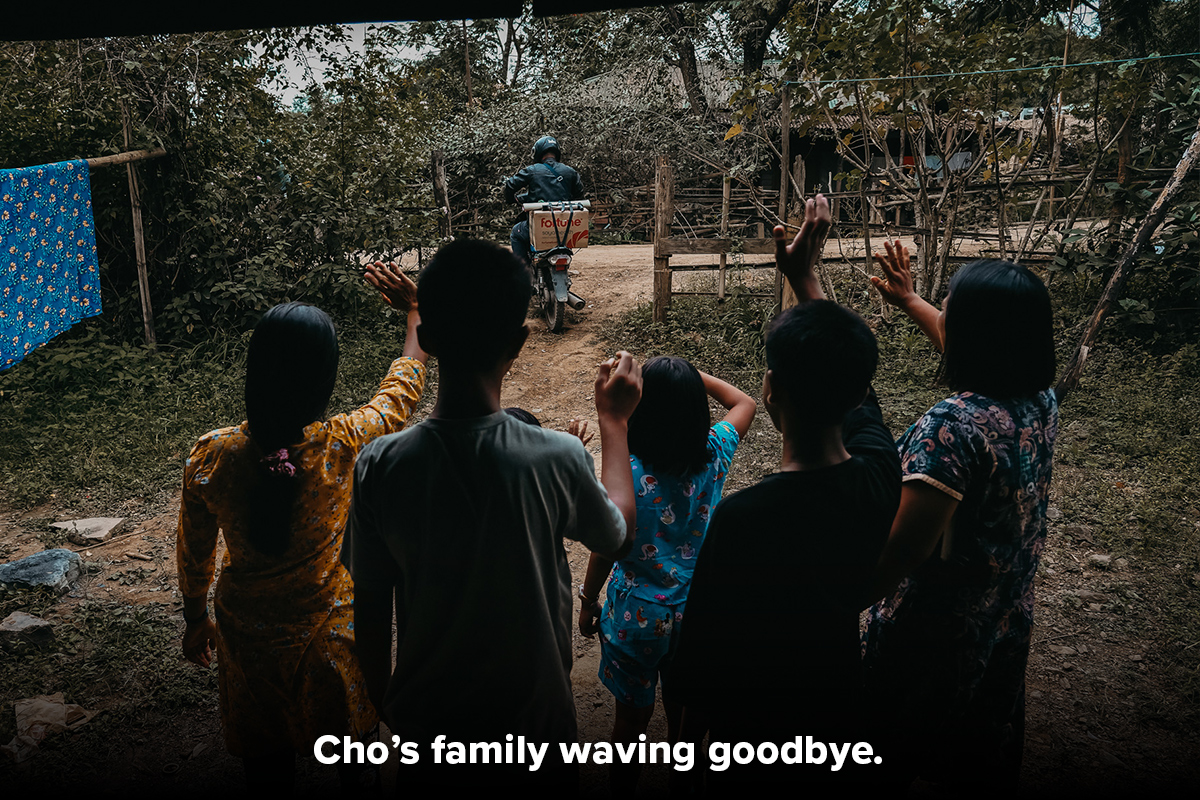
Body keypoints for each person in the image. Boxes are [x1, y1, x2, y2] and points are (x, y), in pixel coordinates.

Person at [342, 239, 641, 791]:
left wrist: (388, 703)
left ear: (427, 341)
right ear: (520, 343)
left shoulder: (380, 464)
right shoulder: (555, 455)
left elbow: (371, 601)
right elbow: (618, 535)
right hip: (536, 730)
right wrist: (615, 423)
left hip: (430, 730)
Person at [671, 196, 901, 788]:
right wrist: (804, 277)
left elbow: (699, 664)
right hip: (836, 712)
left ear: (769, 391)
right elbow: (857, 390)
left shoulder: (743, 518)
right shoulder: (879, 474)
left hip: (753, 734)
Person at [177, 261, 428, 791]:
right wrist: (416, 313)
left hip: (245, 639)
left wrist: (196, 617)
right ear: (323, 381)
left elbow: (194, 550)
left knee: (264, 768)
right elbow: (400, 390)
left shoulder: (211, 456)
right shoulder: (342, 445)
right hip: (327, 639)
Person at [861, 241, 1058, 792]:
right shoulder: (1039, 400)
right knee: (978, 753)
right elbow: (970, 345)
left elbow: (903, 551)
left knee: (897, 754)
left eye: (950, 307)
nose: (941, 314)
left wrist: (835, 604)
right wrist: (910, 300)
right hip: (1003, 618)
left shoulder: (953, 429)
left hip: (932, 637)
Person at [577, 355, 757, 794]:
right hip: (697, 610)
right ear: (698, 410)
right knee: (686, 706)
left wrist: (587, 599)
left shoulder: (627, 473)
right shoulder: (714, 453)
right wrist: (696, 376)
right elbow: (745, 402)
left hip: (637, 616)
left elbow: (606, 547)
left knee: (630, 724)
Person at [503, 135, 586, 265]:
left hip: (540, 225)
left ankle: (523, 273)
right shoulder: (570, 172)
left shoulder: (532, 170)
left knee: (516, 233)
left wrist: (511, 199)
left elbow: (510, 185)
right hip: (565, 225)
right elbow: (579, 195)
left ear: (538, 152)